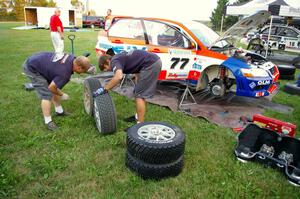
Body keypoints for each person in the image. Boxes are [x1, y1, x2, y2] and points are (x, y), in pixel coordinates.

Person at [23, 52, 92, 131]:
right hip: (32, 68)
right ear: (79, 68)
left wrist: (57, 91)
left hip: (39, 61)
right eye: (83, 71)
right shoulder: (64, 74)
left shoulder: (72, 58)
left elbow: (54, 87)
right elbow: (52, 88)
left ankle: (59, 111)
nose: (82, 73)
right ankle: (48, 121)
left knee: (54, 87)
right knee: (47, 94)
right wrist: (62, 94)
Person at [97, 50, 162, 123]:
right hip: (151, 62)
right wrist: (138, 84)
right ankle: (137, 117)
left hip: (151, 64)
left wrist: (105, 89)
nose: (108, 70)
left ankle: (139, 125)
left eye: (105, 68)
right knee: (139, 93)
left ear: (107, 61)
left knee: (139, 96)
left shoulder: (114, 61)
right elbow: (137, 65)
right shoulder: (119, 57)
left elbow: (118, 76)